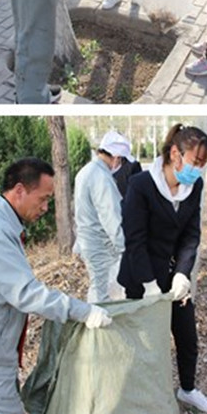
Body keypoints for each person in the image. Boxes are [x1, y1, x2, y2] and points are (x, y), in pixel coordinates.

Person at [0, 157, 112, 414]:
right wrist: (83, 311)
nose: (45, 207)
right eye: (43, 198)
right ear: (19, 191)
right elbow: (26, 293)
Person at [117, 124, 207, 413]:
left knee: (187, 336)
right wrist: (149, 284)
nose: (198, 170)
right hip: (141, 275)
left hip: (174, 277)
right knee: (146, 341)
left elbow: (191, 234)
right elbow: (135, 240)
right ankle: (143, 396)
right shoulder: (141, 185)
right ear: (176, 153)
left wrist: (183, 273)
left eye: (203, 165)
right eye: (196, 162)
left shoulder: (194, 185)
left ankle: (187, 389)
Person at [74, 130, 135, 303]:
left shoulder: (86, 171)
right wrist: (125, 248)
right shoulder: (101, 177)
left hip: (88, 240)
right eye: (121, 160)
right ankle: (98, 326)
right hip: (100, 245)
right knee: (101, 292)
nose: (120, 164)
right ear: (116, 157)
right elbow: (111, 219)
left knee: (98, 286)